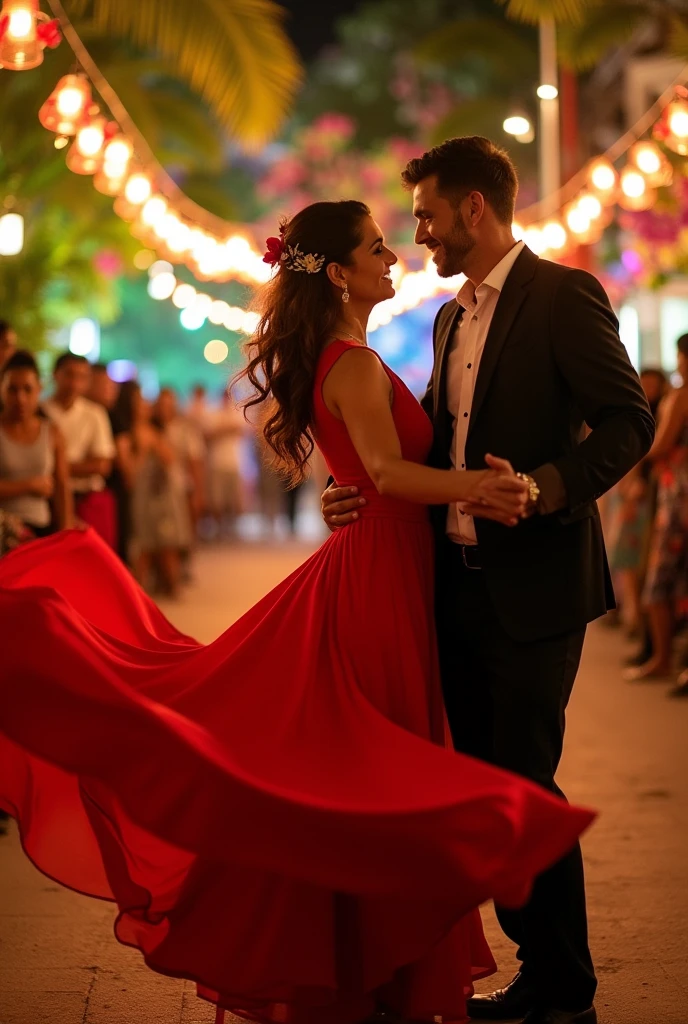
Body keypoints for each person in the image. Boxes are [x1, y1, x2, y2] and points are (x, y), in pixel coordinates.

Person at [0, 199, 593, 1024]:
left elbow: (363, 469)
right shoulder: (350, 361)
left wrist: (349, 491)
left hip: (386, 565)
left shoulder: (351, 355)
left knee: (364, 781)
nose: (394, 258)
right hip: (378, 577)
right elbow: (385, 473)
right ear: (341, 273)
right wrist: (479, 486)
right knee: (372, 778)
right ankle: (371, 974)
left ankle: (374, 969)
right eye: (377, 249)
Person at [321, 139, 655, 1024]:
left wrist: (546, 488)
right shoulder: (446, 318)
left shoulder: (563, 295)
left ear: (474, 209)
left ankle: (564, 984)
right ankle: (537, 964)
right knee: (478, 782)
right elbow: (433, 442)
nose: (418, 233)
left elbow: (629, 422)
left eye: (427, 215)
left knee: (523, 782)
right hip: (454, 584)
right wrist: (351, 482)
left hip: (538, 586)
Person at [626, 335, 688, 692]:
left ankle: (662, 658)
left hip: (676, 499)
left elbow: (661, 444)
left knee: (660, 578)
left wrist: (630, 451)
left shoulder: (680, 396)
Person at [115, 381, 191, 597]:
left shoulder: (154, 429)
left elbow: (170, 459)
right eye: (140, 401)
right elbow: (129, 473)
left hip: (159, 497)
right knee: (143, 545)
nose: (146, 405)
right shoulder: (129, 432)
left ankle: (165, 585)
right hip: (141, 497)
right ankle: (138, 592)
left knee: (164, 542)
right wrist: (146, 449)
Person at [43, 353, 117, 548]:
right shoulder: (40, 412)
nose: (74, 383)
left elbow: (102, 465)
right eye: (69, 375)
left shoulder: (94, 414)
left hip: (87, 500)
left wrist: (58, 468)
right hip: (48, 502)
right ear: (55, 375)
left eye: (82, 377)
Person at [0, 349, 73, 540]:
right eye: (12, 390)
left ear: (39, 389)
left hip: (41, 529)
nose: (20, 398)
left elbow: (62, 486)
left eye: (27, 389)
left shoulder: (52, 432)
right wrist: (29, 485)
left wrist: (66, 530)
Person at [202, 389, 245, 539]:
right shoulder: (214, 413)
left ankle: (229, 528)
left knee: (232, 499)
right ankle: (219, 528)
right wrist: (225, 429)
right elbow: (208, 434)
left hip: (233, 462)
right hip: (218, 462)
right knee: (217, 499)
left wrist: (224, 429)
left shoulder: (236, 412)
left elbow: (241, 430)